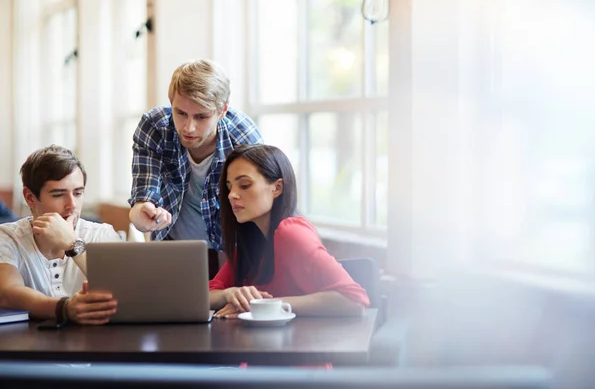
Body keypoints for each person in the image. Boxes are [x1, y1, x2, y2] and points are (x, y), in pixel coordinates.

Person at [128, 59, 263, 268]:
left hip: (232, 248)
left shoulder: (244, 139)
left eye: (201, 117)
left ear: (223, 111)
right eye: (180, 113)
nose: (189, 128)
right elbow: (142, 202)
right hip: (173, 246)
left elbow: (256, 212)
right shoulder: (155, 127)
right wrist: (143, 215)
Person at [209, 144, 370, 317]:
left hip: (305, 342)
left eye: (245, 185)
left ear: (277, 188)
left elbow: (354, 300)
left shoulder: (291, 233)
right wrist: (228, 293)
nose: (231, 195)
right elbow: (205, 296)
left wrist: (263, 306)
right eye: (229, 186)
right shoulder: (250, 242)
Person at [0, 145, 119, 325]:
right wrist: (65, 308)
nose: (72, 205)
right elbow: (7, 293)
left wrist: (72, 244)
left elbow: (123, 290)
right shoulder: (8, 236)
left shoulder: (102, 234)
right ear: (30, 197)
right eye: (58, 194)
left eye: (78, 193)